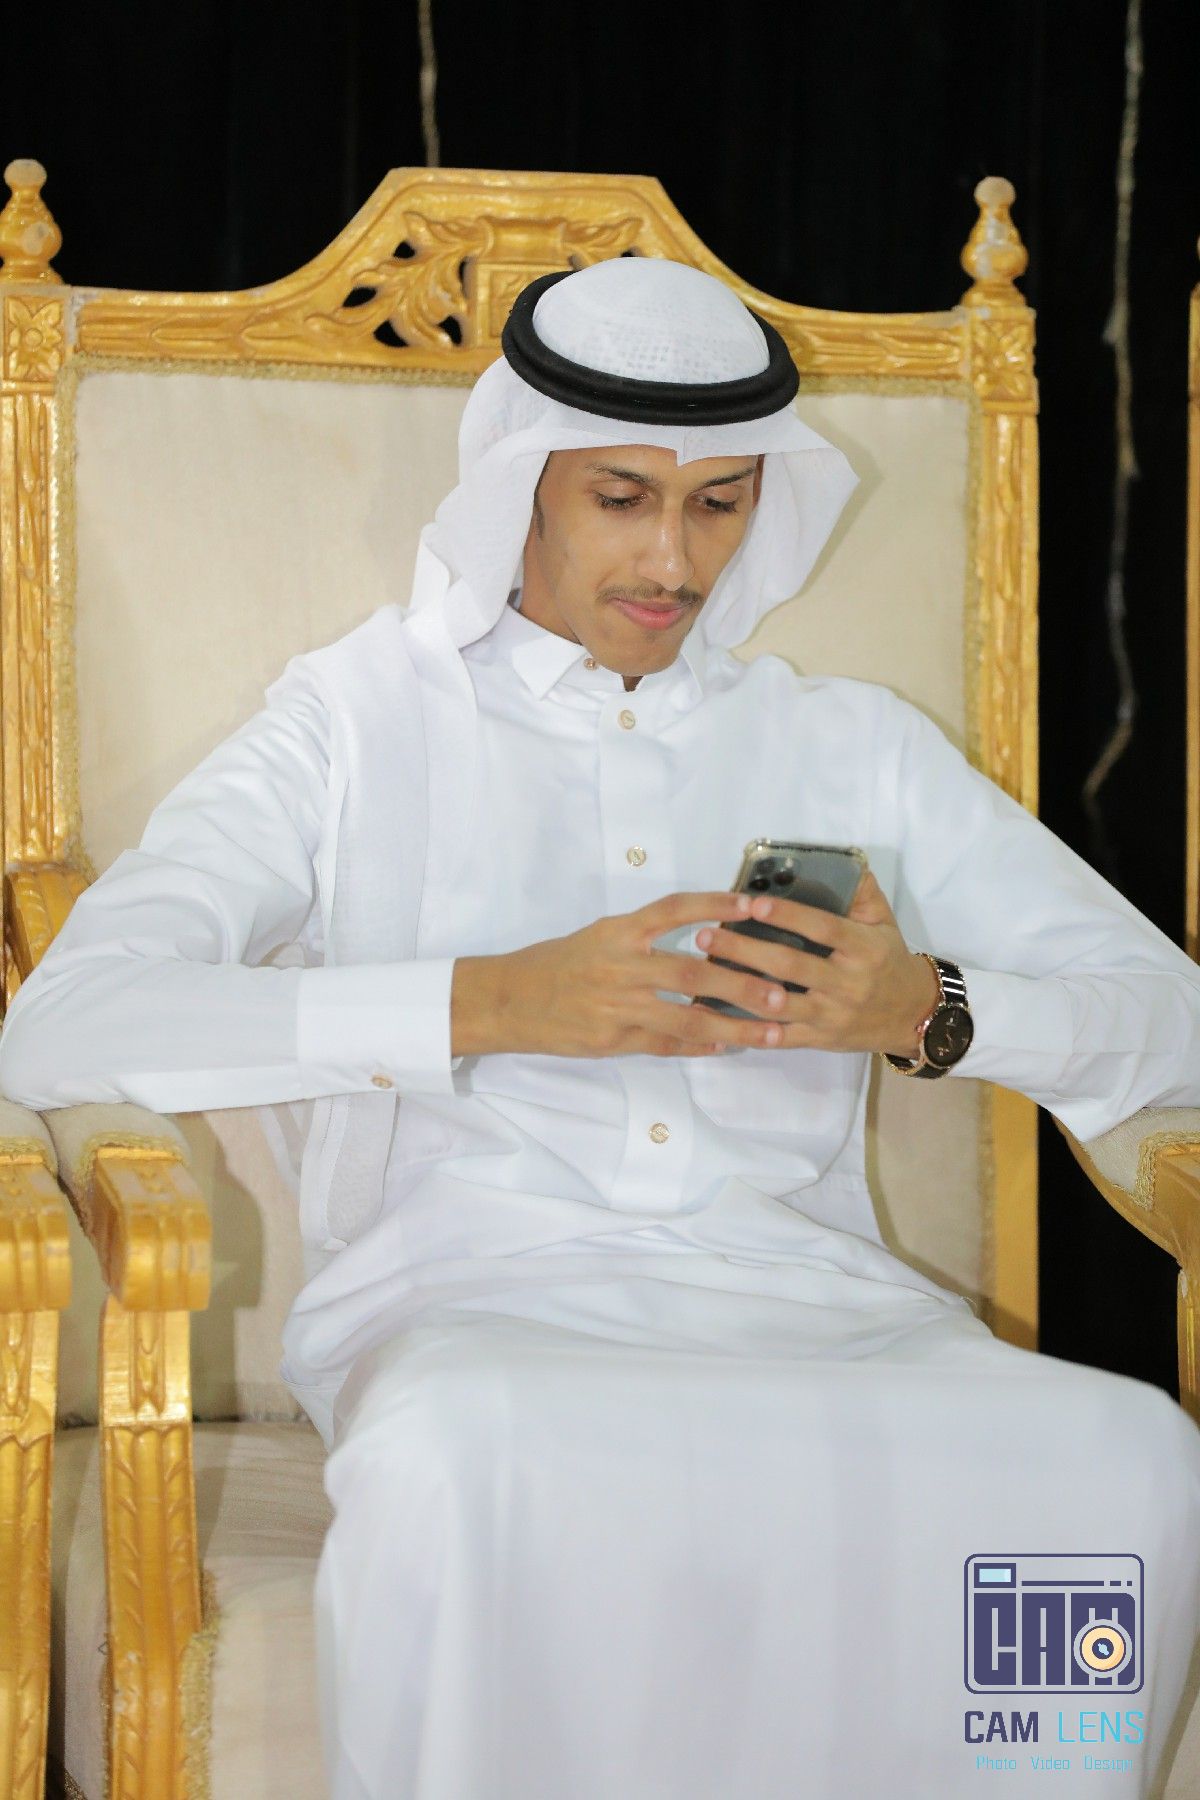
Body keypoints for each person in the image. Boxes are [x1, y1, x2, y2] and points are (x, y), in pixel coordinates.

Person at [3, 256, 1200, 1799]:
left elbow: (1171, 1019)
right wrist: (487, 1001)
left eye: (718, 504)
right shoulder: (352, 724)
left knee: (1123, 1456)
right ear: (522, 483)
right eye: (621, 497)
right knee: (472, 1454)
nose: (672, 557)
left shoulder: (848, 744)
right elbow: (64, 1024)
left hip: (820, 1315)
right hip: (475, 1312)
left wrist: (928, 1009)